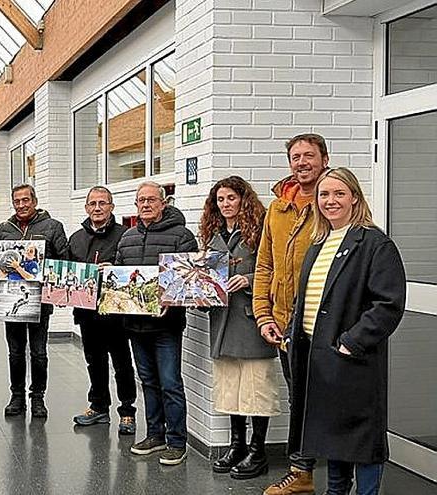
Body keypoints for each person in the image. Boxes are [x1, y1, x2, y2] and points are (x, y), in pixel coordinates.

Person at [287, 168, 405, 495]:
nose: (330, 201)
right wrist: (291, 331)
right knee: (333, 441)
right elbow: (307, 297)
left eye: (339, 193)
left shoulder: (375, 243)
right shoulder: (318, 243)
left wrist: (351, 343)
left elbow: (388, 304)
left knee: (362, 442)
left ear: (354, 197)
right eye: (324, 195)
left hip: (351, 361)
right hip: (317, 358)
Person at [254, 134, 329, 495]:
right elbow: (264, 264)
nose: (301, 162)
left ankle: (321, 471)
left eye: (308, 156)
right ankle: (302, 473)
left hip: (323, 324)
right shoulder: (277, 209)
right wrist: (263, 316)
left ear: (324, 160)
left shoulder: (332, 204)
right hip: (285, 325)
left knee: (323, 399)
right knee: (298, 396)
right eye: (295, 157)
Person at [198, 177, 278, 480]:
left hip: (250, 320)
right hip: (222, 323)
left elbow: (276, 271)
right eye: (220, 199)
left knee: (257, 389)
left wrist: (249, 279)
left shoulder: (260, 231)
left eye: (231, 198)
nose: (225, 204)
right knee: (231, 389)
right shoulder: (212, 235)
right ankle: (237, 446)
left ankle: (258, 452)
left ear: (243, 199)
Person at [117, 181, 197, 466]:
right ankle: (155, 435)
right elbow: (121, 279)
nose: (146, 204)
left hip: (167, 326)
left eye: (152, 199)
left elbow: (192, 281)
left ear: (164, 203)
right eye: (141, 200)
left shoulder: (181, 237)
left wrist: (172, 300)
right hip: (135, 326)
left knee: (170, 383)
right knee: (148, 382)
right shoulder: (126, 238)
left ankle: (177, 441)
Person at [67, 186, 137, 436]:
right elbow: (67, 273)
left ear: (112, 207)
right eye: (93, 204)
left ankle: (127, 411)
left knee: (121, 362)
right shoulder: (76, 238)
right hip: (87, 312)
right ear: (86, 208)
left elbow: (133, 270)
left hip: (116, 312)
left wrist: (114, 268)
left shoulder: (126, 235)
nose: (97, 208)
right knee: (94, 361)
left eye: (102, 203)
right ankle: (98, 407)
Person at [0, 184, 68, 418]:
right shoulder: (4, 228)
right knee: (15, 351)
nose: (21, 205)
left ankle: (38, 397)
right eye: (17, 201)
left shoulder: (52, 226)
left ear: (34, 201)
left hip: (40, 301)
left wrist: (57, 290)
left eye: (26, 200)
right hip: (11, 300)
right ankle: (16, 396)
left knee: (38, 352)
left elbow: (63, 260)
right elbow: (0, 263)